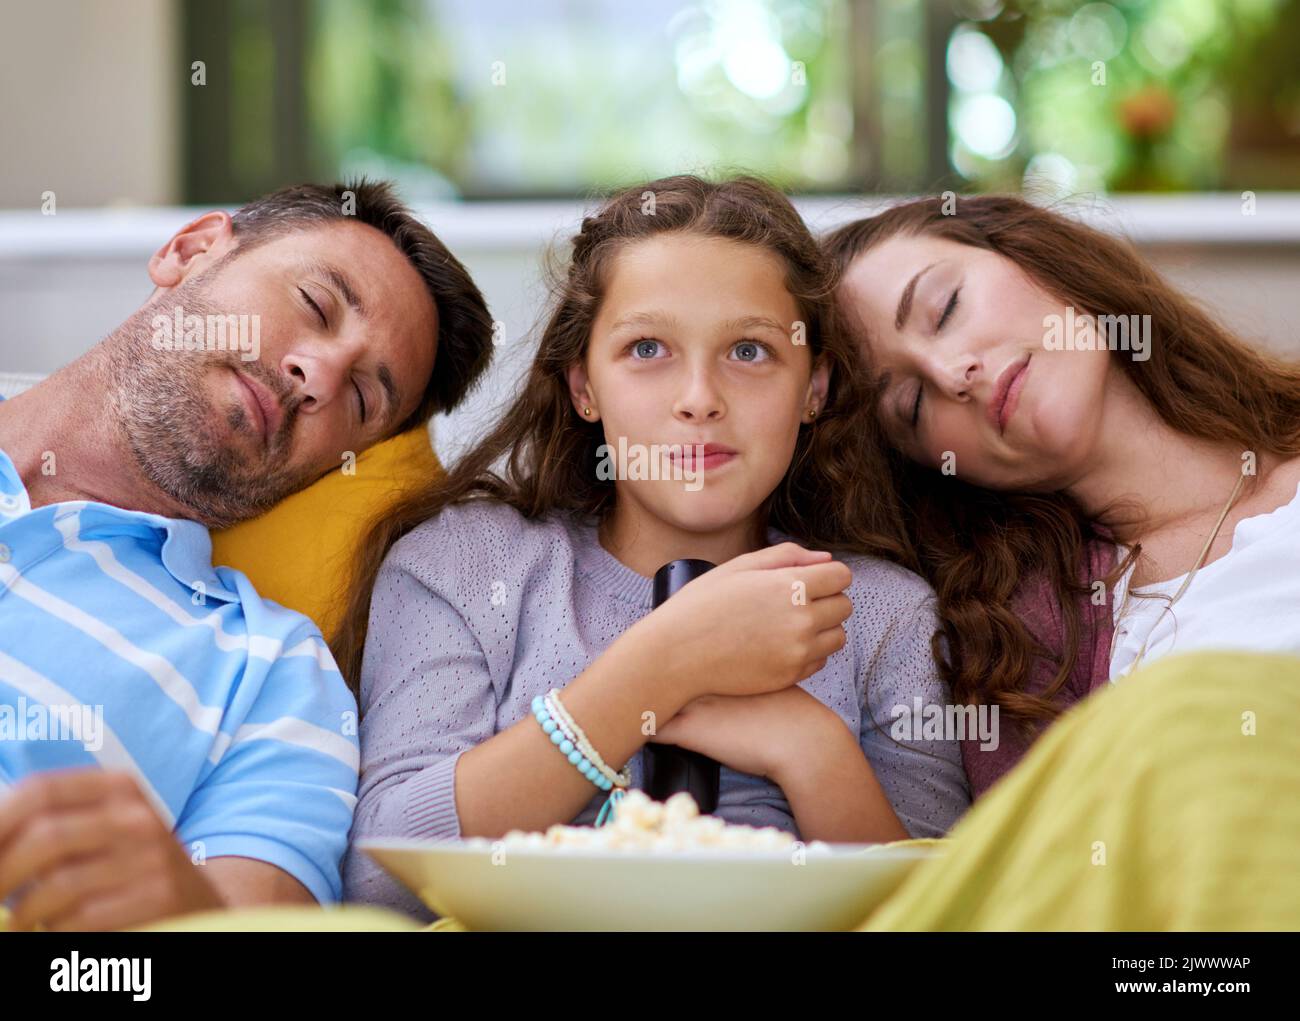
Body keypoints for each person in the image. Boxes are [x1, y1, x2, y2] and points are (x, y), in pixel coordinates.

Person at [334, 174, 971, 921]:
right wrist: (656, 670)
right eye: (646, 347)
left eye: (749, 349)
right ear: (583, 385)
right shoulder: (464, 566)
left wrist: (812, 747)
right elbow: (382, 876)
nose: (699, 396)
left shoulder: (884, 613)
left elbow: (944, 914)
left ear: (815, 388)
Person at [0, 179, 493, 930]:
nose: (320, 376)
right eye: (317, 306)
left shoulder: (272, 676)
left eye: (362, 398)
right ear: (189, 251)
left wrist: (179, 903)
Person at [825, 193, 1300, 793]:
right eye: (912, 405)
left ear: (1036, 256)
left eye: (945, 308)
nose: (951, 374)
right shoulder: (1023, 661)